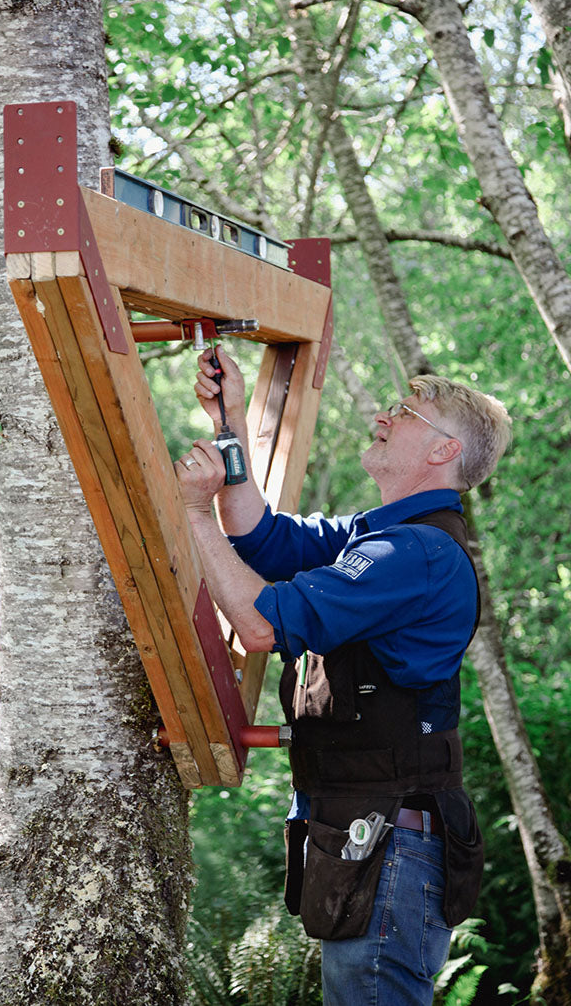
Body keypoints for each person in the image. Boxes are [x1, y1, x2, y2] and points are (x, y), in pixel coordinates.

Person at [174, 345, 511, 1006]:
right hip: (369, 844)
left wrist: (189, 513)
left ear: (444, 452)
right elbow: (260, 538)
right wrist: (229, 420)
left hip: (387, 851)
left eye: (405, 413)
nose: (383, 417)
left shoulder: (411, 553)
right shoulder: (377, 536)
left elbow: (262, 627)